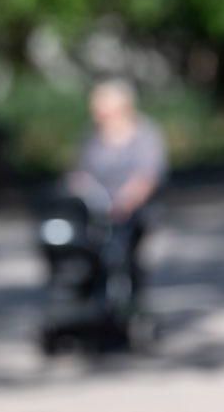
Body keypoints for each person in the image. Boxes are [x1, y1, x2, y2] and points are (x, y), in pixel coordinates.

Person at [69, 79, 168, 299]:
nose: (96, 115)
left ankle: (129, 296)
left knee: (122, 249)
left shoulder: (145, 134)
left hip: (132, 209)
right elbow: (80, 170)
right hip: (96, 206)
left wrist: (126, 201)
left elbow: (148, 175)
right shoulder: (93, 136)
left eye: (101, 110)